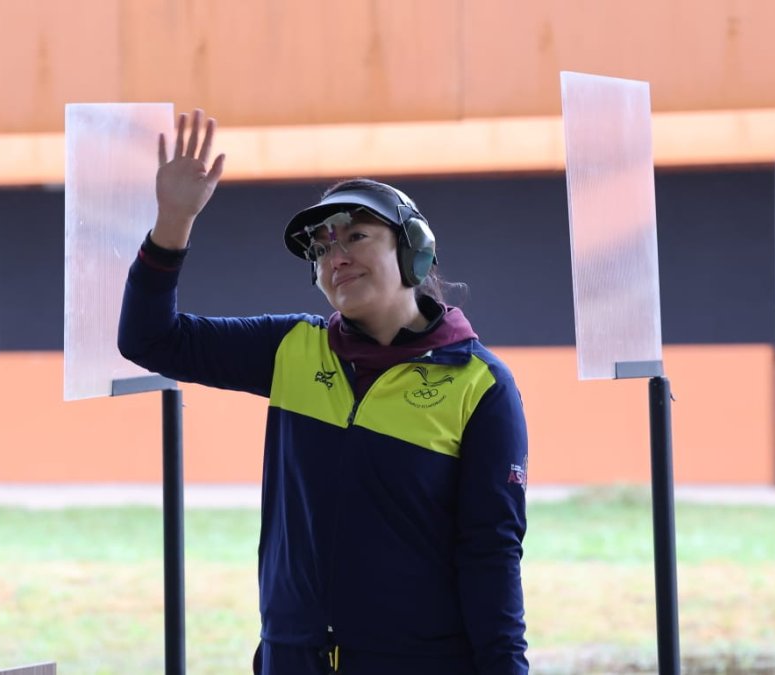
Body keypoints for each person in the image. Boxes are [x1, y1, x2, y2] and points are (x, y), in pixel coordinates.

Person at [118, 109, 530, 675]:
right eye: (321, 247)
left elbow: (491, 552)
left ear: (415, 249)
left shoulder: (480, 385)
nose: (335, 256)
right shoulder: (292, 347)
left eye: (357, 236)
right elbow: (150, 339)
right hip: (292, 659)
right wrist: (173, 222)